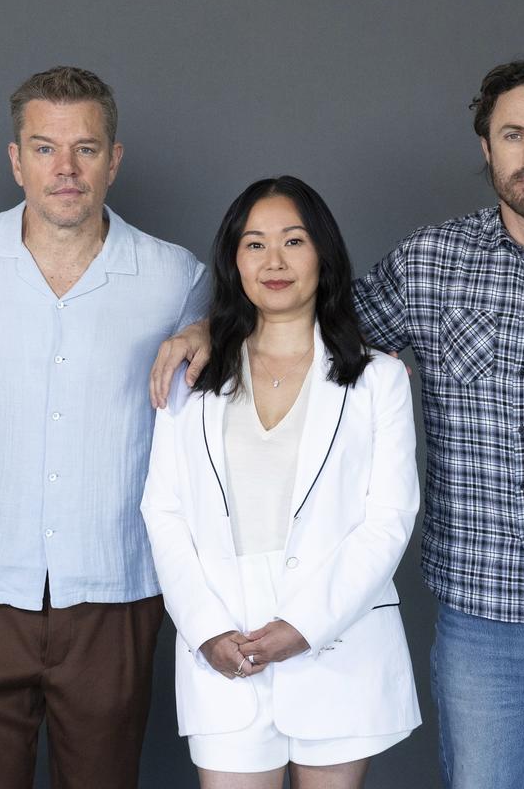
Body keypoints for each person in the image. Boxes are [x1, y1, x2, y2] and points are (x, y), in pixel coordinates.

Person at [151, 54, 524, 788]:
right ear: (487, 147)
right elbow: (310, 318)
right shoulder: (430, 263)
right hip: (481, 611)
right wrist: (205, 331)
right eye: (513, 135)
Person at [0, 66, 207, 788]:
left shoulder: (175, 277)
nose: (65, 170)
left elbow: (216, 427)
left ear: (115, 158)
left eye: (86, 149)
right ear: (15, 159)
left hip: (115, 585)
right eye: (44, 148)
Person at [142, 176, 421, 788]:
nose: (274, 261)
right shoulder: (192, 378)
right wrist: (205, 628)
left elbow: (389, 519)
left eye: (294, 241)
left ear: (323, 253)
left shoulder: (378, 380)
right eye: (254, 244)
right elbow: (162, 512)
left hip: (339, 642)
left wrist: (307, 626)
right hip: (223, 646)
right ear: (233, 260)